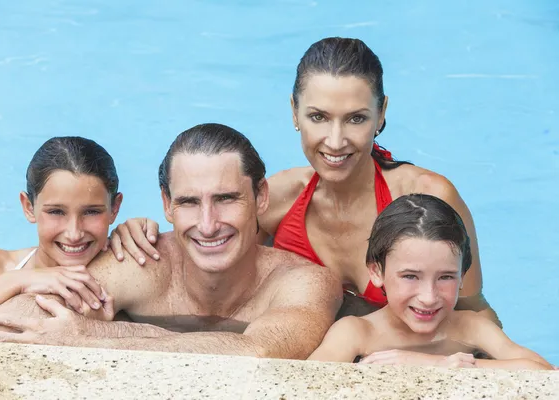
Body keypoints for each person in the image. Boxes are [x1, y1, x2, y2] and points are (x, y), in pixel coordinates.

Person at [107, 37, 499, 323]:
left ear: (382, 115)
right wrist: (138, 232)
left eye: (356, 118)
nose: (335, 140)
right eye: (318, 117)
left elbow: (473, 311)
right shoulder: (275, 199)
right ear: (294, 112)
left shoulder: (428, 198)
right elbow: (208, 241)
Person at [0, 123, 342, 360]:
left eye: (226, 199)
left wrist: (90, 333)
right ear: (166, 204)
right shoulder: (143, 262)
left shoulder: (305, 282)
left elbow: (260, 352)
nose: (208, 225)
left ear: (261, 196)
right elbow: (3, 323)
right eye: (188, 202)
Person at [308, 194, 552, 370]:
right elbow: (304, 381)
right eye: (410, 276)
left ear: (462, 277)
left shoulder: (469, 327)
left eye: (445, 277)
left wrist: (436, 364)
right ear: (376, 272)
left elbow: (543, 372)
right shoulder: (357, 333)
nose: (428, 297)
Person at [0, 136, 122, 339]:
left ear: (115, 208)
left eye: (91, 212)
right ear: (29, 207)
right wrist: (16, 281)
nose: (74, 233)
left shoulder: (121, 280)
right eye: (56, 212)